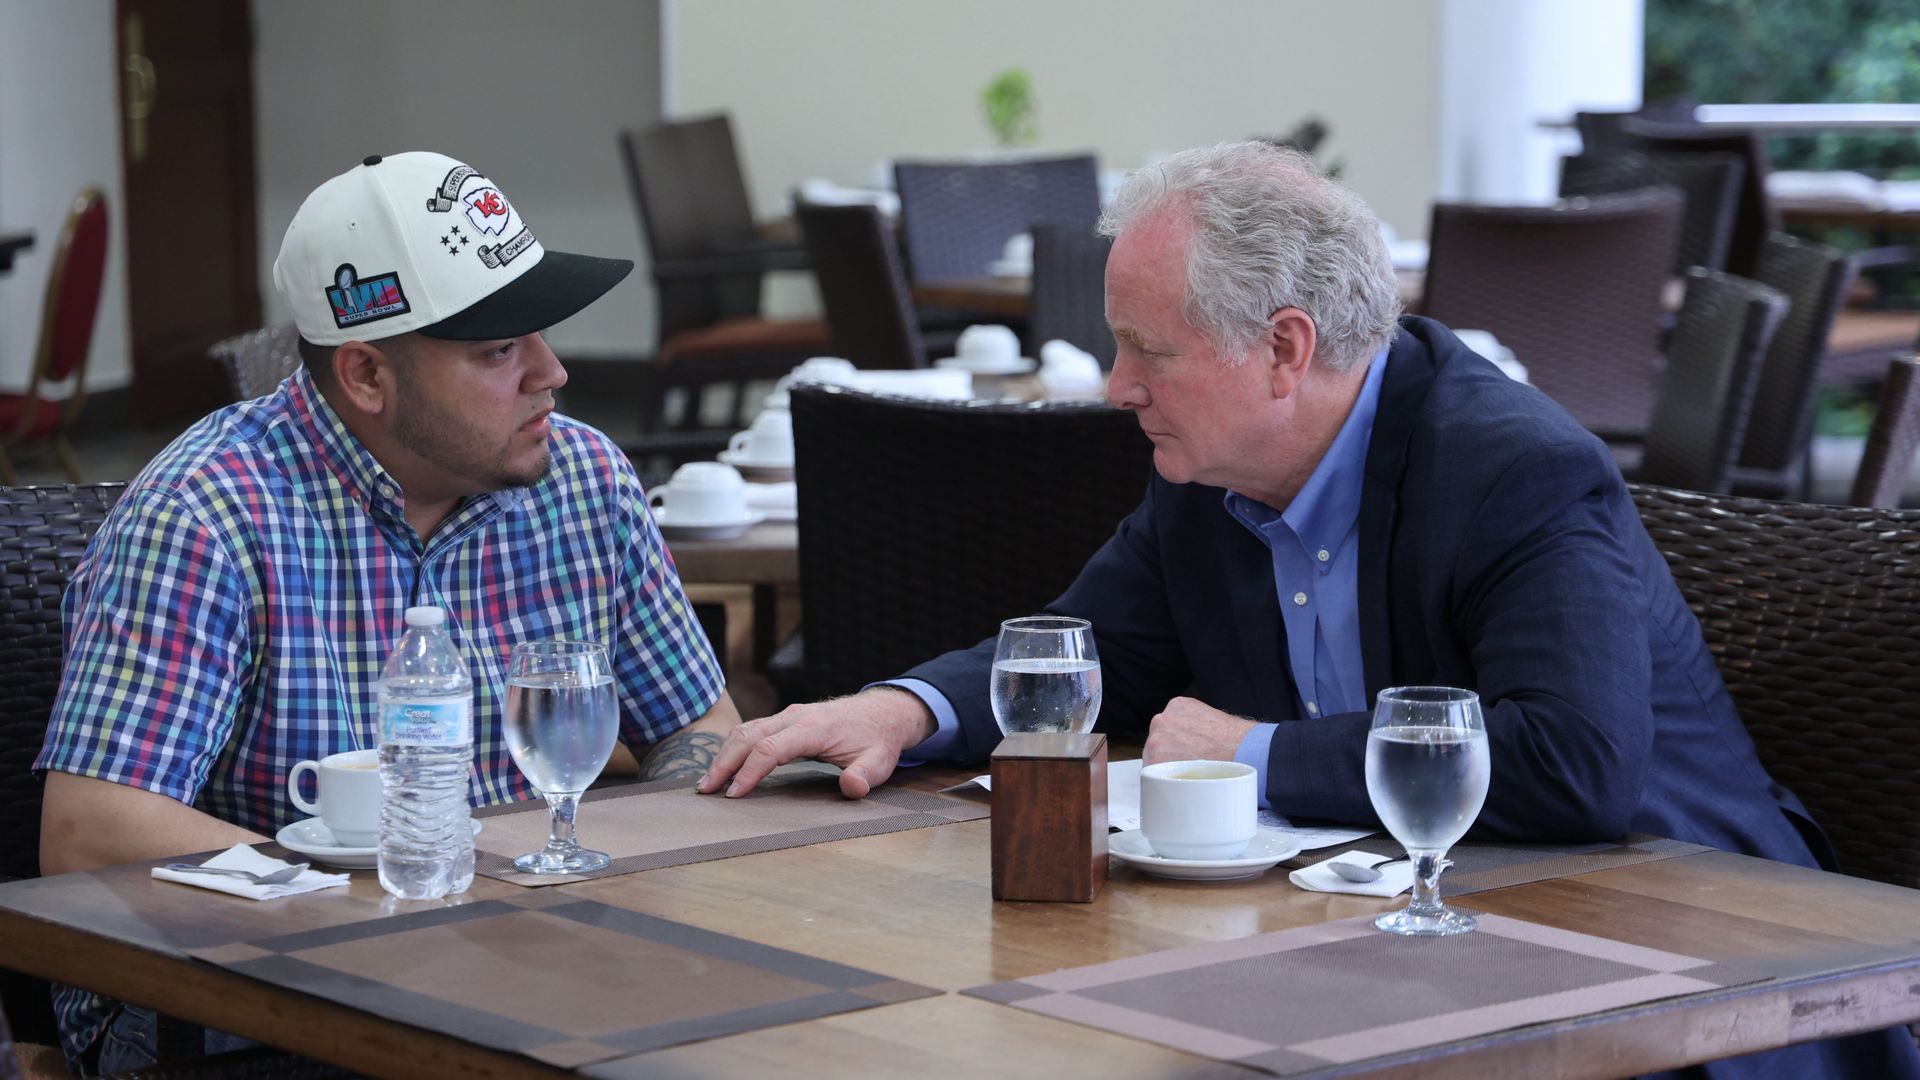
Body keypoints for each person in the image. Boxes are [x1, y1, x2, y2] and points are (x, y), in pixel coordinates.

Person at [698, 141, 1918, 1079]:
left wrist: (1257, 755)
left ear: (1286, 348)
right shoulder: (1208, 470)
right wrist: (900, 707)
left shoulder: (1511, 468)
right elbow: (1094, 650)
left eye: (1145, 351)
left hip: (1685, 961)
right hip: (1412, 941)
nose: (1116, 388)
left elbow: (1578, 765)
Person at [35, 151, 738, 1072]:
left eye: (543, 335)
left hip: (526, 961)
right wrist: (395, 915)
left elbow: (703, 733)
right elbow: (92, 830)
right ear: (366, 376)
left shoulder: (584, 478)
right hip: (228, 991)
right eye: (500, 349)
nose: (553, 373)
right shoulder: (207, 514)